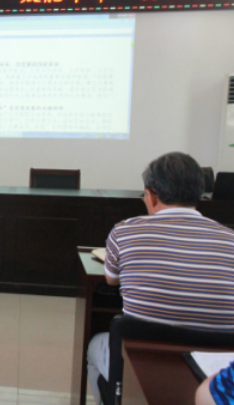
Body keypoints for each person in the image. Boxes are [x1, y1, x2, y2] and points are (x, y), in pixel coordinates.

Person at [87, 152, 234, 404]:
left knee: (95, 345)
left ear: (151, 196)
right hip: (214, 374)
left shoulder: (125, 231)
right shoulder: (231, 239)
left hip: (139, 364)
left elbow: (111, 280)